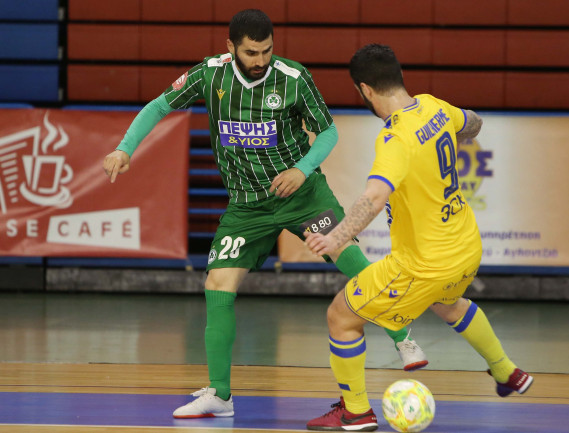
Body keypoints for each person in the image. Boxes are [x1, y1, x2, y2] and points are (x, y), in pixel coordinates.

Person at [102, 10, 427, 419]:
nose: (260, 60)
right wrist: (124, 148)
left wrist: (302, 169)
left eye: (267, 51)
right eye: (251, 53)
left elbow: (328, 131)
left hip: (303, 195)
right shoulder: (210, 74)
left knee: (346, 253)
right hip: (246, 205)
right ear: (231, 47)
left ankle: (403, 337)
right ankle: (220, 395)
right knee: (218, 284)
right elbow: (158, 106)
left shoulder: (293, 78)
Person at [304, 44, 533, 432]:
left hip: (423, 263)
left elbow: (374, 198)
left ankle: (356, 412)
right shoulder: (433, 106)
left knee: (341, 316)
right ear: (399, 76)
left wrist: (335, 238)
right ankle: (506, 371)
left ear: (365, 90)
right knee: (448, 303)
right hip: (465, 247)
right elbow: (473, 123)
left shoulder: (395, 137)